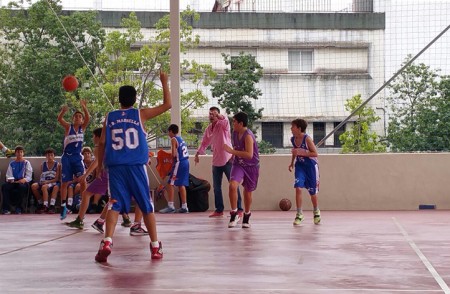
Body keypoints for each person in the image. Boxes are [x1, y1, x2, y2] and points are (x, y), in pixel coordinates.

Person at [94, 70, 171, 262]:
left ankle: (107, 241)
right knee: (146, 206)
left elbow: (102, 142)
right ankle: (154, 246)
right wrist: (164, 81)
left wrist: (99, 166)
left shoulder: (109, 117)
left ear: (119, 99)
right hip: (136, 166)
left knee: (114, 203)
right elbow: (167, 105)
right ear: (135, 99)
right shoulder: (140, 114)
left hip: (115, 167)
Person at [66, 128, 147, 236]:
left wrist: (86, 175)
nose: (92, 138)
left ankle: (87, 220)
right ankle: (126, 221)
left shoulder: (102, 147)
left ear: (99, 137)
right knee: (118, 198)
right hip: (112, 175)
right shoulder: (109, 146)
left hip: (109, 175)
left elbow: (97, 162)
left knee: (111, 198)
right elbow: (100, 161)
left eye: (94, 136)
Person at [194, 107, 243, 218]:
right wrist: (197, 154)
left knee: (233, 185)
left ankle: (239, 209)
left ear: (218, 115)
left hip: (228, 159)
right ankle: (219, 210)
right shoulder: (208, 129)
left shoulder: (223, 125)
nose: (211, 115)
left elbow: (225, 121)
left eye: (213, 114)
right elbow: (204, 143)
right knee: (217, 187)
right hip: (216, 161)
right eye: (210, 114)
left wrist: (219, 116)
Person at [224, 112, 260, 229]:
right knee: (232, 185)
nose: (232, 123)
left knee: (247, 192)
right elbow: (236, 148)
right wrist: (232, 156)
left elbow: (249, 155)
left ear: (240, 123)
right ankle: (234, 214)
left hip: (251, 166)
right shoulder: (235, 133)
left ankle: (247, 215)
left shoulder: (248, 136)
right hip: (238, 164)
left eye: (234, 121)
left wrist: (231, 152)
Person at [57, 99, 90, 220]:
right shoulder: (68, 127)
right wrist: (63, 111)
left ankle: (82, 202)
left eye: (79, 116)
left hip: (77, 157)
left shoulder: (83, 128)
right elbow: (59, 120)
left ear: (81, 120)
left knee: (83, 180)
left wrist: (84, 107)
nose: (77, 118)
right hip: (67, 157)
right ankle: (63, 205)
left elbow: (88, 118)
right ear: (73, 119)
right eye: (75, 116)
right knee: (65, 182)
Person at [288, 118, 321, 226]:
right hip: (300, 166)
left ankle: (316, 211)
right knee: (298, 187)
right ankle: (299, 214)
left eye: (293, 126)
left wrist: (303, 152)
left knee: (312, 192)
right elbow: (295, 151)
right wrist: (292, 162)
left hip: (311, 167)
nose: (291, 128)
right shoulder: (293, 139)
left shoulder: (307, 139)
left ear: (299, 128)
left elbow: (315, 153)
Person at [159, 124, 190, 214]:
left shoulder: (173, 139)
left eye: (168, 132)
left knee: (170, 183)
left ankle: (171, 206)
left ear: (171, 131)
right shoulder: (181, 139)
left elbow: (173, 154)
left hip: (179, 162)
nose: (168, 134)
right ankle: (184, 206)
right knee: (181, 184)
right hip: (186, 162)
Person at [1, 146, 33, 214]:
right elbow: (8, 175)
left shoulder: (26, 163)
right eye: (18, 152)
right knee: (4, 186)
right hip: (14, 182)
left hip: (22, 182)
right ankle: (6, 208)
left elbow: (29, 175)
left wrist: (24, 179)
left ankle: (19, 208)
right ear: (15, 153)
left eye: (21, 152)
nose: (19, 154)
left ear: (23, 153)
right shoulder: (12, 164)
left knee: (22, 187)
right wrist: (10, 180)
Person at [32, 148, 61, 214]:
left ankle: (47, 206)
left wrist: (47, 182)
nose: (50, 157)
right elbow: (42, 176)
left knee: (44, 187)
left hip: (53, 182)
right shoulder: (43, 165)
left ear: (54, 156)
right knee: (34, 186)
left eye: (51, 155)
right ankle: (40, 203)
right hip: (45, 181)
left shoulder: (57, 165)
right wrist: (42, 181)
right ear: (46, 156)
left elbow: (57, 179)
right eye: (48, 155)